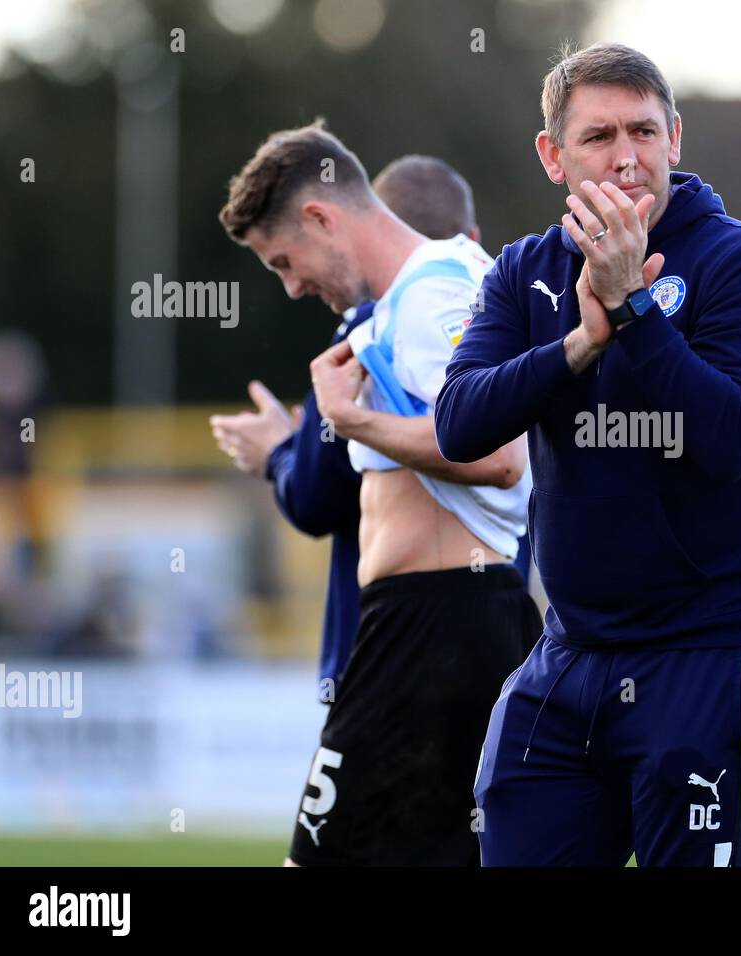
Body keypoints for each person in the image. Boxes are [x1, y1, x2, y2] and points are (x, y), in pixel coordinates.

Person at [436, 43, 741, 866]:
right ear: (552, 155)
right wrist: (577, 345)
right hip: (570, 654)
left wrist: (636, 311)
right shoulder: (522, 273)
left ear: (676, 138)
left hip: (712, 648)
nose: (626, 156)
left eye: (643, 130)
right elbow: (459, 424)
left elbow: (729, 440)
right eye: (598, 136)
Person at [218, 121, 540, 865]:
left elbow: (499, 455)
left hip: (434, 631)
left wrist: (349, 419)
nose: (294, 285)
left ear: (321, 217)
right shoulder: (417, 297)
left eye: (284, 261)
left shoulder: (431, 297)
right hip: (434, 628)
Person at [209, 153, 488, 701]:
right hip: (470, 633)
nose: (291, 287)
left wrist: (284, 451)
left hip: (399, 646)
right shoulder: (488, 292)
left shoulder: (376, 325)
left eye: (285, 262)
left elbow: (318, 496)